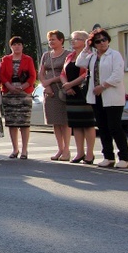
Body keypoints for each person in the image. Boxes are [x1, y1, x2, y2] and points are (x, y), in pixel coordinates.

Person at [76, 28, 128, 168]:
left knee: (114, 127)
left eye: (104, 40)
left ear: (108, 40)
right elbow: (79, 63)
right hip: (97, 97)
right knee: (103, 127)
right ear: (94, 44)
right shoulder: (92, 57)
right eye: (98, 41)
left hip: (112, 96)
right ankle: (108, 157)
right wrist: (86, 47)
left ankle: (124, 157)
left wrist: (103, 86)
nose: (102, 43)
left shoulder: (114, 55)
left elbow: (117, 75)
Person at [61, 30, 96, 164]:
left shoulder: (89, 55)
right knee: (76, 124)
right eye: (72, 39)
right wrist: (66, 86)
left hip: (83, 92)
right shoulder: (70, 56)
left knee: (87, 124)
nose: (73, 41)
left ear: (85, 41)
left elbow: (85, 74)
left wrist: (71, 84)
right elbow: (63, 73)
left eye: (76, 39)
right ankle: (79, 152)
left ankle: (90, 154)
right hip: (70, 93)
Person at [0, 36, 36, 159]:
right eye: (14, 45)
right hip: (9, 93)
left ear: (22, 46)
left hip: (24, 93)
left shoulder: (28, 59)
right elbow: (2, 75)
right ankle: (15, 149)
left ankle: (25, 150)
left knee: (24, 123)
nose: (17, 47)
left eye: (19, 44)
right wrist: (9, 86)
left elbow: (32, 76)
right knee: (12, 123)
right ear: (11, 46)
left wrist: (23, 86)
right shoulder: (5, 59)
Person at [39, 30, 71, 161]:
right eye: (49, 40)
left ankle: (67, 150)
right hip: (49, 91)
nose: (51, 42)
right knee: (55, 122)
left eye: (53, 39)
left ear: (61, 40)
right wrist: (46, 86)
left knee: (64, 121)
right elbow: (41, 73)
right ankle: (60, 149)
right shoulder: (46, 55)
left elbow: (66, 72)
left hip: (61, 89)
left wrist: (51, 81)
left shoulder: (68, 54)